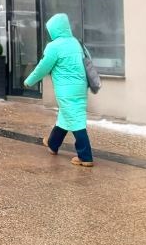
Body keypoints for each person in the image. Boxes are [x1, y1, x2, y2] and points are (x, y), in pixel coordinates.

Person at [24, 13, 94, 167]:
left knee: (75, 119)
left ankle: (85, 156)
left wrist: (29, 81)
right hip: (81, 87)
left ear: (55, 30)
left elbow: (43, 67)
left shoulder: (54, 47)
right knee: (66, 115)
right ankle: (53, 143)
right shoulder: (75, 42)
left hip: (66, 90)